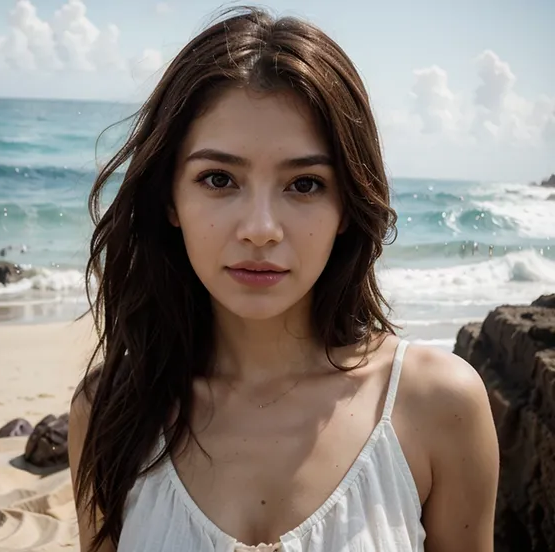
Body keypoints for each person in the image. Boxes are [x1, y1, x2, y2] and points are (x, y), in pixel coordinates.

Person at [69, 6, 500, 552]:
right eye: (219, 179)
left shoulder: (438, 404)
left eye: (304, 184)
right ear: (169, 198)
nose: (260, 229)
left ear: (347, 205)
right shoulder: (110, 413)